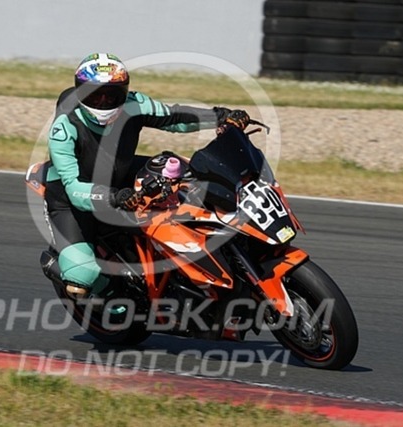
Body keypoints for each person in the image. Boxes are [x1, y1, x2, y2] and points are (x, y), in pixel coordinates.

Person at [44, 52, 249, 298]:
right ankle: (95, 285)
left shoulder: (133, 104)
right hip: (71, 199)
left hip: (119, 174)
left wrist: (220, 116)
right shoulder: (64, 127)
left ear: (124, 92)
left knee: (181, 171)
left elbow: (174, 117)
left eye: (112, 95)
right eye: (95, 95)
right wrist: (115, 197)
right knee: (80, 279)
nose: (104, 101)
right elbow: (74, 188)